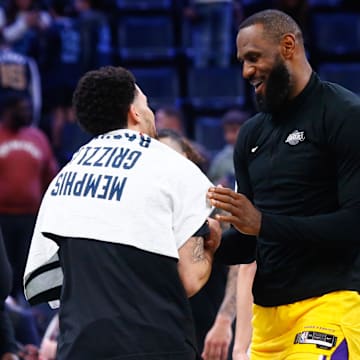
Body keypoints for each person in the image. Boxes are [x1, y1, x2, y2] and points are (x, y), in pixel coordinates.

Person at [24, 66, 222, 360]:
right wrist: (211, 245)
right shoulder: (173, 168)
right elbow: (190, 279)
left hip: (79, 347)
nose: (150, 112)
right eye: (146, 104)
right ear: (135, 113)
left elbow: (54, 283)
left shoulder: (63, 180)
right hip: (156, 346)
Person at [207, 9, 360, 360]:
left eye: (253, 58)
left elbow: (355, 223)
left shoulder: (345, 115)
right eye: (242, 62)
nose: (246, 71)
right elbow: (250, 240)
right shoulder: (251, 134)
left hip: (331, 305)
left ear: (288, 46)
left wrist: (262, 223)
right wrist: (215, 243)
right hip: (267, 320)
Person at [157, 128, 236, 360]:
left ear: (187, 159)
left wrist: (224, 321)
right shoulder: (145, 210)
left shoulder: (216, 201)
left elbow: (240, 267)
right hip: (163, 333)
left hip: (211, 330)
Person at [0, 91, 58, 302]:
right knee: (4, 268)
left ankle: (28, 310)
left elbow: (50, 175)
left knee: (27, 265)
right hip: (2, 217)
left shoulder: (38, 137)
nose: (27, 113)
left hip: (30, 217)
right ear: (7, 110)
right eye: (22, 109)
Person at [207, 109, 249, 187]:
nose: (229, 137)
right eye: (226, 131)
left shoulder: (257, 154)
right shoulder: (220, 160)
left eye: (234, 130)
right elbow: (210, 184)